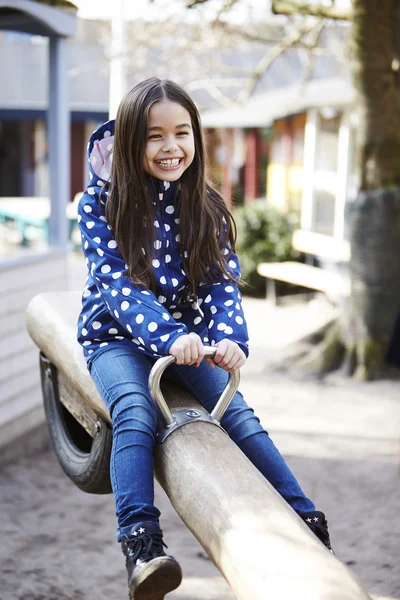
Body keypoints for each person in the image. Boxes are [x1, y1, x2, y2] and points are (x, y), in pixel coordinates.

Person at [77, 77, 333, 600]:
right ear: (129, 142)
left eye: (182, 133)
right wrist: (171, 337)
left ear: (196, 136)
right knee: (135, 409)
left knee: (235, 409)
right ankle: (142, 542)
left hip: (185, 339)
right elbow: (119, 288)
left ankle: (304, 516)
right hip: (116, 337)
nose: (171, 147)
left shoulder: (205, 204)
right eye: (154, 137)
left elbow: (219, 281)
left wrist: (227, 338)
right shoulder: (100, 204)